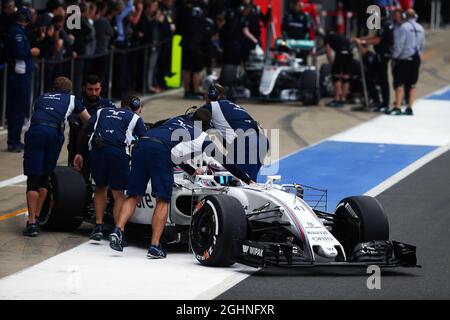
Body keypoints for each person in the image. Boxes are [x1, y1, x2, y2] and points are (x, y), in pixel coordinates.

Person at [108, 109, 253, 258]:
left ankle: (118, 231)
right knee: (163, 200)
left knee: (133, 195)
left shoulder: (174, 121)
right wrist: (246, 179)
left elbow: (174, 152)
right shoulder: (203, 137)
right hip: (160, 152)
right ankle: (155, 246)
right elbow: (225, 162)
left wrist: (190, 170)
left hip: (142, 144)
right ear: (207, 126)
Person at [22, 77, 90, 236]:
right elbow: (88, 120)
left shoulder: (40, 97)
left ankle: (31, 222)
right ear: (69, 91)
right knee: (45, 175)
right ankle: (37, 217)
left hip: (36, 132)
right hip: (53, 134)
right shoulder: (73, 99)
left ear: (53, 88)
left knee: (33, 178)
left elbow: (38, 114)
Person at [73, 96, 146, 241]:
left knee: (100, 187)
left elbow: (85, 130)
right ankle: (117, 231)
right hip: (118, 154)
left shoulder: (102, 111)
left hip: (97, 152)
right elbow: (144, 141)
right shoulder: (135, 118)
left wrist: (79, 152)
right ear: (137, 107)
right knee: (118, 193)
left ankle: (98, 226)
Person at [200, 83, 268, 181]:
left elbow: (193, 120)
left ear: (213, 95)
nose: (205, 99)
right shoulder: (236, 106)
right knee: (245, 180)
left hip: (246, 143)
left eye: (206, 96)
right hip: (262, 141)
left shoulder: (212, 105)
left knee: (244, 182)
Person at [5, 7, 40, 152]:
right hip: (19, 75)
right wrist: (31, 52)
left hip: (22, 73)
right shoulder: (17, 32)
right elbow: (19, 53)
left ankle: (14, 140)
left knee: (19, 109)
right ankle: (13, 141)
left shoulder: (19, 31)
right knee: (18, 109)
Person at [67, 74, 116, 173]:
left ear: (101, 88)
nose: (94, 93)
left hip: (100, 147)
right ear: (84, 88)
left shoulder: (107, 104)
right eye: (90, 89)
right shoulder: (76, 103)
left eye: (97, 89)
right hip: (78, 147)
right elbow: (74, 123)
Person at [353, 6, 394, 111]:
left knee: (382, 79)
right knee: (369, 76)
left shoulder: (384, 25)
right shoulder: (385, 24)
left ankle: (384, 103)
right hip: (380, 55)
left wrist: (362, 42)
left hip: (382, 55)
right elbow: (374, 36)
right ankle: (376, 100)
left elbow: (377, 40)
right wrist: (361, 39)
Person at [389, 8, 425, 115]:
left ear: (405, 16)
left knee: (399, 82)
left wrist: (395, 57)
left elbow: (399, 44)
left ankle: (398, 106)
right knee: (412, 83)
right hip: (416, 58)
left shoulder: (403, 27)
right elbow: (422, 45)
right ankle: (410, 107)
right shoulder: (421, 28)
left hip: (404, 58)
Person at [324, 31, 353, 108]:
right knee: (345, 78)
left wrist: (331, 62)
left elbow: (328, 50)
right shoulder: (341, 36)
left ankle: (336, 99)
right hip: (349, 53)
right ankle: (343, 99)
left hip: (340, 53)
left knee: (336, 77)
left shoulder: (327, 37)